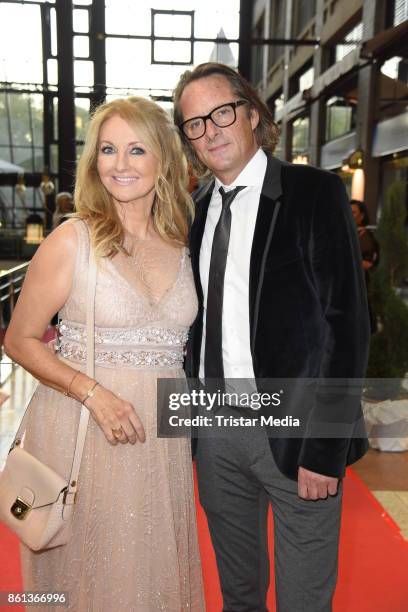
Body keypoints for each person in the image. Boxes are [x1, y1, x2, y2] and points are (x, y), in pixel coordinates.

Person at [173, 62, 370, 612]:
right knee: (238, 595)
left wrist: (326, 449)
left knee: (304, 600)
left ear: (253, 114)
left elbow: (347, 326)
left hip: (296, 434)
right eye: (194, 123)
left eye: (221, 113)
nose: (209, 130)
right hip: (215, 433)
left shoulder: (314, 194)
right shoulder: (194, 209)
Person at [4, 96, 205, 612]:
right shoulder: (72, 239)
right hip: (82, 427)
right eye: (108, 149)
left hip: (161, 435)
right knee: (88, 575)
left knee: (150, 571)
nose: (120, 164)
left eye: (136, 149)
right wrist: (93, 394)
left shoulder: (184, 241)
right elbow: (19, 338)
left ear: (163, 158)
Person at [350, 199, 379, 332]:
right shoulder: (348, 234)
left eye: (353, 212)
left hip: (359, 289)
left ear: (362, 216)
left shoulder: (364, 236)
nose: (349, 215)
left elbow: (367, 264)